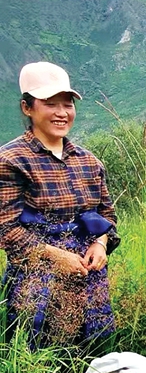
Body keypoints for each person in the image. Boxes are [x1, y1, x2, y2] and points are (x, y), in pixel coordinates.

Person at [0, 62, 119, 349]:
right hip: (36, 274)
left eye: (67, 104)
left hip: (88, 273)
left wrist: (100, 244)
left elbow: (106, 214)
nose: (62, 113)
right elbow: (6, 229)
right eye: (50, 104)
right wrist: (57, 256)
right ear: (27, 108)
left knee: (93, 349)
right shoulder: (12, 160)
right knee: (37, 349)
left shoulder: (88, 162)